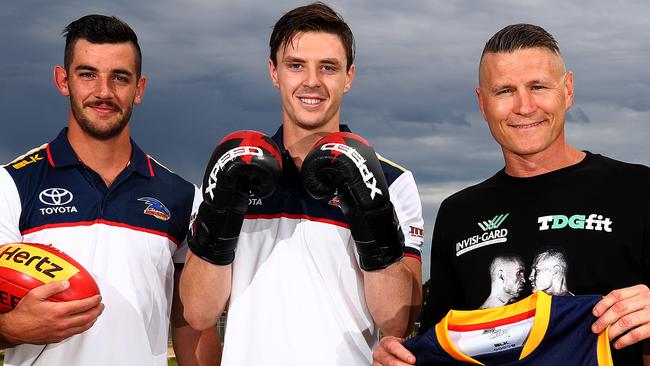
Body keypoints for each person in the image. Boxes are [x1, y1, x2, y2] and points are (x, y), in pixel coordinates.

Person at [373, 23, 650, 366]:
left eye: (538, 86)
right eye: (504, 91)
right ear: (482, 103)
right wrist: (400, 358)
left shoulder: (637, 189)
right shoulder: (458, 214)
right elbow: (443, 343)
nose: (524, 106)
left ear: (568, 90)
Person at [180, 2, 425, 365]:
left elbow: (395, 321)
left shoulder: (394, 181)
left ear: (349, 76)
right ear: (274, 72)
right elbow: (199, 313)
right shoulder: (233, 169)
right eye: (296, 65)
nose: (312, 81)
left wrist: (370, 211)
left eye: (328, 67)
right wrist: (220, 211)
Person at [0, 14, 219, 365]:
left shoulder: (182, 196)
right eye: (88, 74)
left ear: (140, 88)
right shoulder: (10, 185)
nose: (104, 92)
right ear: (63, 80)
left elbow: (193, 324)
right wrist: (9, 328)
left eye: (120, 77)